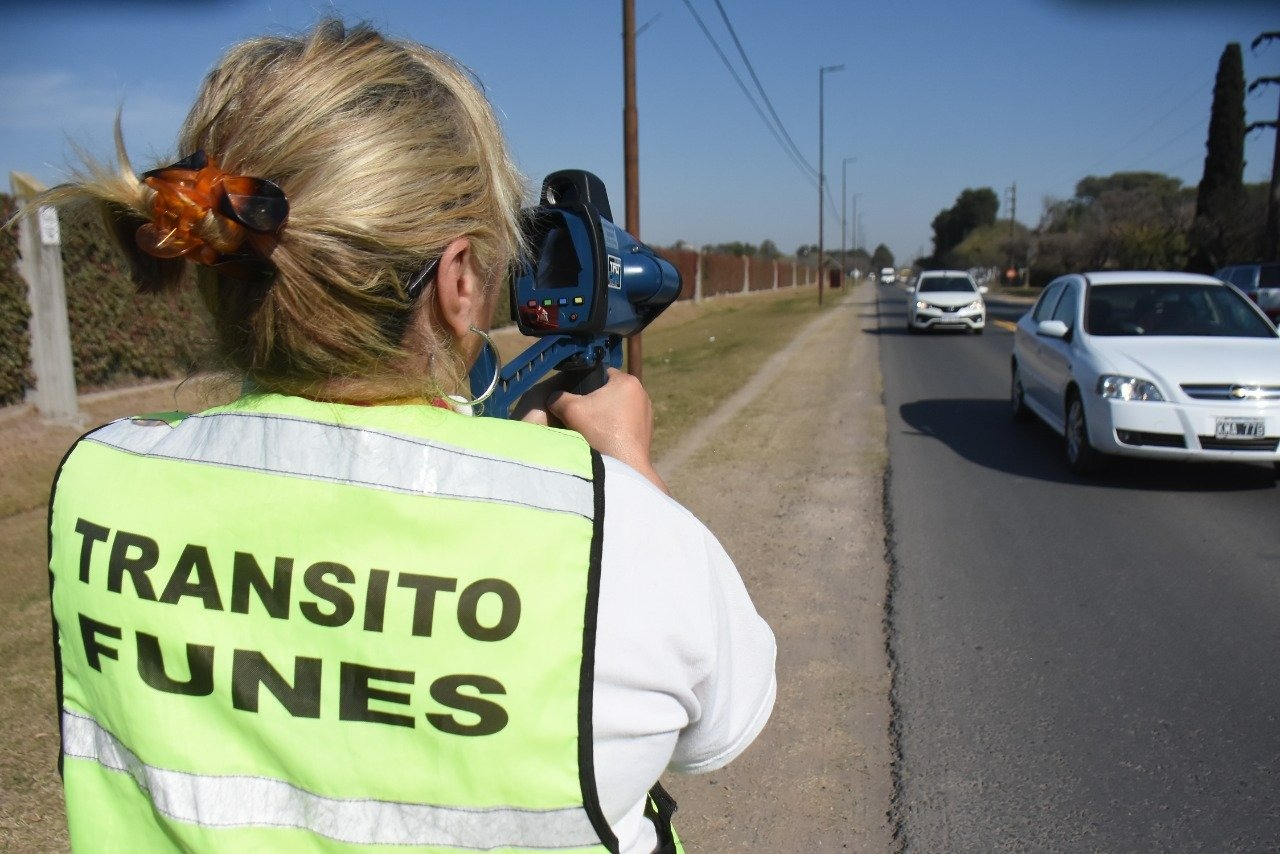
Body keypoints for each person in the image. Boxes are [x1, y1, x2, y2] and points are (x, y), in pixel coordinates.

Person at [41, 19, 775, 853]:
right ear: (460, 281)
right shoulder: (626, 540)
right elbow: (718, 731)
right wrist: (627, 479)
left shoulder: (98, 489)